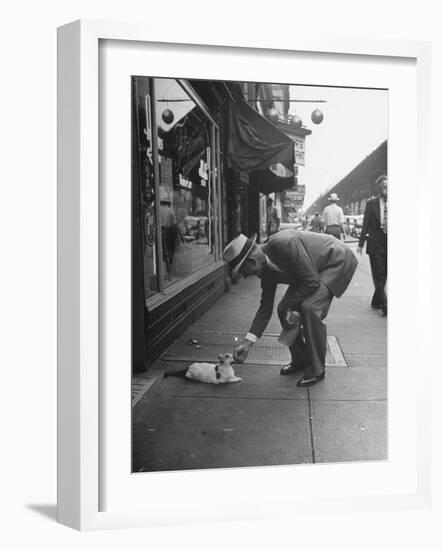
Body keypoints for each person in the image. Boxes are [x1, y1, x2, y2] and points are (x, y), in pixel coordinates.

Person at [223, 230, 358, 387]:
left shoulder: (285, 244)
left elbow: (312, 282)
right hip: (310, 272)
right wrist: (247, 342)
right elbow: (265, 308)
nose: (245, 276)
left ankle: (317, 369)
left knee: (310, 308)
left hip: (335, 260)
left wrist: (294, 307)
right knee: (283, 310)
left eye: (243, 272)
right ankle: (300, 359)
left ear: (252, 261)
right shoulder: (265, 271)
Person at [357, 175, 388, 316]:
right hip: (376, 242)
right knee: (378, 273)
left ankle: (376, 300)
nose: (386, 189)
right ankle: (385, 303)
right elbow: (366, 224)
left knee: (384, 274)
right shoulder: (371, 204)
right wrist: (360, 243)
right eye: (383, 187)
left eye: (388, 186)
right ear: (379, 188)